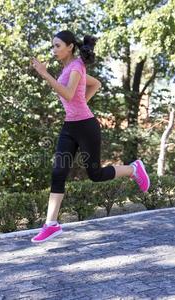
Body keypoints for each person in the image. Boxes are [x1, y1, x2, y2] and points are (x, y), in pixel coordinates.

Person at [30, 30, 150, 243]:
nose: (54, 50)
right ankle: (51, 224)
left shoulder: (76, 67)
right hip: (70, 126)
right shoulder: (69, 67)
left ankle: (133, 169)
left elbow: (68, 93)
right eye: (53, 46)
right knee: (58, 172)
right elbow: (95, 84)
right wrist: (80, 102)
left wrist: (45, 74)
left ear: (70, 47)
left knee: (95, 173)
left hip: (86, 126)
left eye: (57, 46)